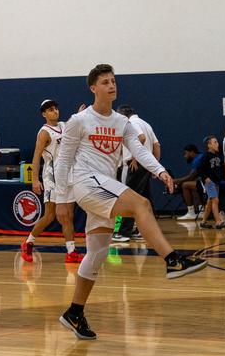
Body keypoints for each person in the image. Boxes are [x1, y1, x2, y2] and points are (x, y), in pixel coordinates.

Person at [54, 64, 206, 340]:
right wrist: (61, 198)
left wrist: (160, 171)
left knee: (97, 254)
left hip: (105, 185)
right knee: (141, 204)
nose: (111, 85)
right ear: (93, 88)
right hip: (87, 183)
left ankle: (74, 312)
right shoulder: (79, 120)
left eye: (113, 81)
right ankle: (173, 260)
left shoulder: (122, 122)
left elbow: (139, 150)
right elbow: (63, 160)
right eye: (105, 82)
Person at [21, 99, 82, 264]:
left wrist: (79, 114)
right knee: (49, 215)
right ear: (44, 114)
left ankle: (71, 252)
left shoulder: (63, 125)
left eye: (56, 108)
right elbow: (36, 157)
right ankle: (28, 243)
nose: (55, 111)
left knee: (68, 215)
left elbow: (73, 125)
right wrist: (35, 179)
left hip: (68, 175)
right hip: (52, 178)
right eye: (50, 110)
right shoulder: (44, 133)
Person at [113, 104, 160, 242]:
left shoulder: (131, 123)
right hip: (145, 165)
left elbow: (141, 137)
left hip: (136, 165)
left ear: (123, 115)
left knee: (129, 198)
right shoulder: (146, 123)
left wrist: (135, 157)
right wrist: (155, 166)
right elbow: (157, 145)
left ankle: (124, 232)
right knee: (146, 198)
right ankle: (148, 230)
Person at [197, 135, 225, 228]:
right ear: (209, 145)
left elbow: (219, 169)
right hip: (209, 182)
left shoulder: (218, 156)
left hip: (216, 181)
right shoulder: (206, 156)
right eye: (215, 142)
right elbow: (199, 169)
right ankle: (218, 222)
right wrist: (205, 178)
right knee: (215, 200)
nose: (217, 144)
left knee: (210, 202)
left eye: (217, 142)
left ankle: (203, 222)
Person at [174, 145, 205, 221]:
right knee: (194, 184)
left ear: (192, 152)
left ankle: (191, 213)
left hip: (210, 183)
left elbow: (190, 177)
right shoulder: (201, 156)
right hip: (210, 182)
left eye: (186, 153)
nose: (185, 156)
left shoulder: (197, 160)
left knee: (185, 185)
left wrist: (176, 181)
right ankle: (202, 211)